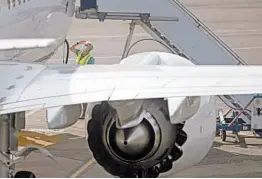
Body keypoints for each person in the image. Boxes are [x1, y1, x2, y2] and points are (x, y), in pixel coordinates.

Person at [70, 41, 95, 119]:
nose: (83, 47)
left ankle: (84, 113)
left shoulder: (90, 59)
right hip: (78, 78)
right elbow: (71, 48)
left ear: (88, 50)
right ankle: (81, 112)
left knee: (83, 97)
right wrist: (78, 43)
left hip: (85, 79)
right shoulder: (79, 53)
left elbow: (89, 70)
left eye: (85, 46)